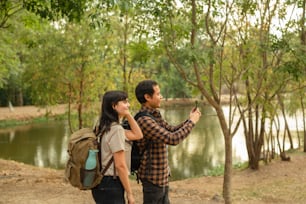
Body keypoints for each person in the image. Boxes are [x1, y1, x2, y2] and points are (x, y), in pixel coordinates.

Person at [134, 80, 201, 204]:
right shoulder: (144, 120)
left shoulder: (154, 115)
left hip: (162, 177)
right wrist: (192, 123)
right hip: (152, 178)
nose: (161, 97)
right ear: (147, 97)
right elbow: (172, 139)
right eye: (158, 94)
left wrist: (189, 119)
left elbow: (171, 130)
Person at [92, 90, 143, 204]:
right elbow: (120, 165)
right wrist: (129, 193)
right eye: (125, 102)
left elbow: (138, 135)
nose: (128, 105)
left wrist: (128, 114)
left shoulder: (102, 126)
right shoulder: (116, 130)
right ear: (114, 106)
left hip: (100, 183)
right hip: (111, 184)